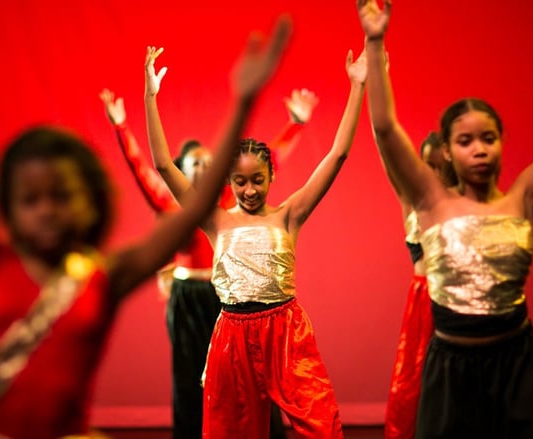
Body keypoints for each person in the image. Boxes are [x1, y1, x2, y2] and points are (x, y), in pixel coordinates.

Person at [0, 15, 292, 439]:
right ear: (8, 206)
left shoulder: (101, 277)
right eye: (31, 200)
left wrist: (243, 103)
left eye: (62, 197)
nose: (47, 211)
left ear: (90, 204)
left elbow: (193, 207)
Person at [358, 0, 533, 437]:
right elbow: (385, 128)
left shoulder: (522, 197)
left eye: (488, 138)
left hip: (520, 367)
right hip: (452, 372)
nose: (479, 148)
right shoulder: (429, 201)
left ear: (501, 144)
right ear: (447, 151)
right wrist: (376, 39)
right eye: (465, 140)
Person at [143, 35, 367, 437]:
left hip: (285, 330)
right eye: (241, 182)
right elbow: (162, 164)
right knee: (231, 429)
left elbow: (337, 155)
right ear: (228, 181)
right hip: (232, 332)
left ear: (271, 177)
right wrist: (150, 96)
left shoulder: (289, 215)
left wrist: (358, 87)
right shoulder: (214, 219)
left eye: (258, 181)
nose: (250, 191)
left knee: (321, 423)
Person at [99, 87, 318, 439]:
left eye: (207, 163)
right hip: (187, 297)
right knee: (190, 379)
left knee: (251, 378)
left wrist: (296, 123)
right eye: (194, 164)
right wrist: (122, 126)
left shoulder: (227, 203)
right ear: (183, 171)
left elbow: (267, 159)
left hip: (224, 299)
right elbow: (144, 167)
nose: (203, 167)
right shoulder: (171, 204)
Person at [383, 132, 451, 439]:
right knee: (415, 382)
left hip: (455, 302)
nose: (433, 174)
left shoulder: (463, 206)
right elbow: (388, 155)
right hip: (423, 302)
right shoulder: (411, 202)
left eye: (441, 167)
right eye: (427, 165)